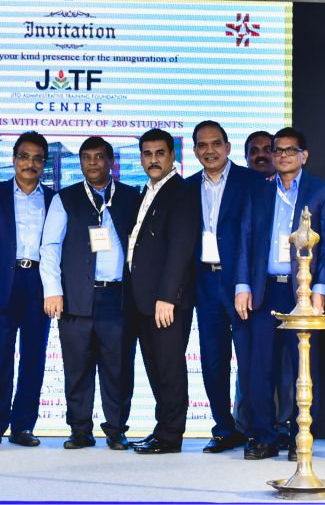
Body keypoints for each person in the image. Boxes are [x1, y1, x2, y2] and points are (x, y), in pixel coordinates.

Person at [234, 126, 325, 461]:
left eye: (291, 150)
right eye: (278, 150)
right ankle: (262, 437)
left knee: (302, 368)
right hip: (264, 291)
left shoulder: (321, 191)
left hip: (301, 292)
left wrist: (320, 289)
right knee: (259, 367)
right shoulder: (259, 190)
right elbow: (245, 238)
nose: (284, 156)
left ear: (304, 155)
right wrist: (242, 285)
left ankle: (298, 438)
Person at [40, 137, 141, 450]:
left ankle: (116, 430)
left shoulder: (131, 196)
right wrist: (52, 291)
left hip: (118, 298)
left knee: (118, 369)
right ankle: (80, 430)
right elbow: (50, 246)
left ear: (111, 161)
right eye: (86, 157)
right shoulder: (65, 198)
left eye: (99, 157)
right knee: (77, 368)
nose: (93, 163)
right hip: (75, 297)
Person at [184, 120, 263, 454]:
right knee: (213, 360)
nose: (210, 150)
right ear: (194, 150)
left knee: (250, 359)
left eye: (216, 143)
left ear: (228, 147)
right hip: (205, 281)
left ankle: (257, 430)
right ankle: (223, 429)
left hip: (241, 282)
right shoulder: (187, 187)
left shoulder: (252, 182)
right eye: (202, 145)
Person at [123, 128, 201, 455]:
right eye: (147, 154)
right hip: (143, 299)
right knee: (156, 367)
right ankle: (162, 429)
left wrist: (167, 297)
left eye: (159, 153)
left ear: (172, 156)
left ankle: (170, 436)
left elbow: (180, 249)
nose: (153, 160)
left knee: (169, 369)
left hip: (165, 302)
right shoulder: (148, 190)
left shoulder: (180, 192)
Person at [0, 132, 56, 448]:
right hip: (0, 283)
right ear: (13, 159)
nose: (30, 164)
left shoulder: (55, 199)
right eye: (24, 156)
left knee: (34, 357)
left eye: (37, 158)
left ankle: (23, 426)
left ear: (44, 163)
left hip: (39, 284)